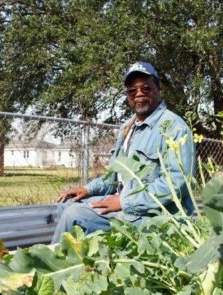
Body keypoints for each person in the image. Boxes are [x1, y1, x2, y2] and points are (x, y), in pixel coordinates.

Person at [51, 61, 195, 244]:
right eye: (132, 91)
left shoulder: (174, 127)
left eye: (146, 88)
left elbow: (177, 182)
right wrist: (87, 189)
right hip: (126, 205)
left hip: (153, 215)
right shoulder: (128, 128)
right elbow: (114, 177)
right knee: (66, 205)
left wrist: (124, 202)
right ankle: (89, 264)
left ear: (158, 89)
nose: (139, 94)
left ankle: (53, 267)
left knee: (75, 214)